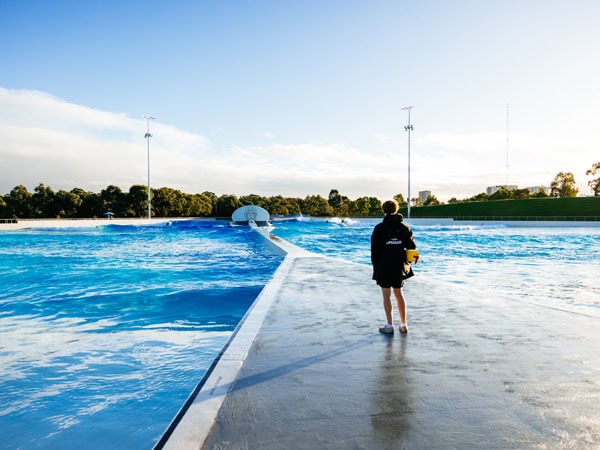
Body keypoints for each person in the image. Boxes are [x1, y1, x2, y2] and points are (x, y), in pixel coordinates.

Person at [371, 200, 417, 334]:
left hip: (384, 265)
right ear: (396, 210)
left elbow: (375, 250)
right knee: (399, 293)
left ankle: (389, 325)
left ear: (383, 211)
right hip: (398, 264)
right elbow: (412, 247)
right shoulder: (404, 227)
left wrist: (376, 267)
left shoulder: (379, 228)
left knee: (386, 295)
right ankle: (403, 324)